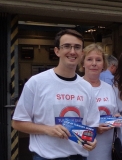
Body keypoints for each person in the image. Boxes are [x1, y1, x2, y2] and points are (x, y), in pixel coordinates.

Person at [12, 29, 100, 160]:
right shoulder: (36, 82)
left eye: (77, 47)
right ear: (57, 51)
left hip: (78, 156)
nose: (72, 51)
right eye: (66, 46)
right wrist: (47, 130)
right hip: (46, 157)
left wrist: (92, 140)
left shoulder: (86, 87)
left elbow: (92, 124)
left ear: (82, 53)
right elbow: (17, 123)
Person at [80, 43, 118, 160]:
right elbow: (70, 120)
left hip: (105, 149)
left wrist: (116, 119)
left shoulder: (109, 88)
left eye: (98, 60)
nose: (94, 63)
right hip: (82, 149)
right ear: (83, 63)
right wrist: (95, 128)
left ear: (103, 65)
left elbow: (114, 113)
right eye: (89, 59)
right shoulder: (76, 87)